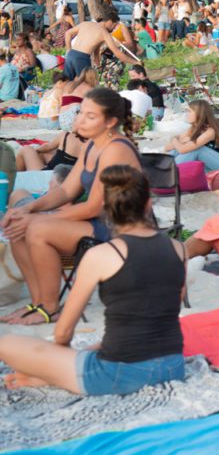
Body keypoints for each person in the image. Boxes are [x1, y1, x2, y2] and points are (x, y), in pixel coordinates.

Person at [0, 165, 186, 394]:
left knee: (7, 343)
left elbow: (63, 333)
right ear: (148, 204)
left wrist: (55, 366)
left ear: (106, 209)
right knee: (92, 350)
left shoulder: (100, 255)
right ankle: (61, 375)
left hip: (116, 374)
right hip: (172, 367)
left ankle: (56, 377)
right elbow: (164, 314)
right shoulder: (179, 248)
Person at [0, 88, 142, 325]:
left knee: (37, 229)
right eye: (80, 113)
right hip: (99, 222)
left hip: (123, 230)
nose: (80, 120)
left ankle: (51, 307)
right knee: (20, 224)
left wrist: (41, 219)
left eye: (90, 116)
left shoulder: (115, 149)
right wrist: (29, 209)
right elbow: (67, 190)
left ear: (111, 122)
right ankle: (39, 303)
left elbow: (93, 207)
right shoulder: (91, 146)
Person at [62, 4, 136, 79]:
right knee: (88, 86)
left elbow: (68, 33)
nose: (113, 29)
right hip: (82, 58)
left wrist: (68, 50)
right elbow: (118, 53)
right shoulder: (104, 33)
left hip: (71, 55)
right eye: (114, 25)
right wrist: (136, 62)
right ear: (110, 22)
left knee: (66, 83)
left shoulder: (85, 24)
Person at [165, 99, 219, 171]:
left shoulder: (211, 131)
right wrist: (180, 142)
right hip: (212, 162)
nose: (186, 114)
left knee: (196, 149)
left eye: (189, 111)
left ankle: (168, 172)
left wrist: (175, 139)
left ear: (199, 113)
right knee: (180, 148)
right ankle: (163, 168)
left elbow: (182, 149)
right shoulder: (194, 128)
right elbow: (167, 148)